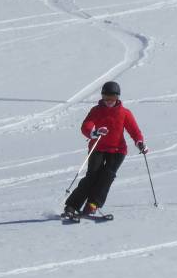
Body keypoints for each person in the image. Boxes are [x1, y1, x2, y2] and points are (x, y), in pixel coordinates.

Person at [63, 81, 148, 218]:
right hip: (98, 147)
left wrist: (139, 142)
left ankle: (93, 204)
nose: (109, 101)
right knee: (92, 176)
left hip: (117, 150)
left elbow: (134, 130)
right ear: (102, 97)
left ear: (117, 98)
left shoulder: (125, 113)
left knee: (107, 176)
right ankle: (72, 206)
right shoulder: (96, 111)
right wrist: (94, 132)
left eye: (112, 99)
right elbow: (86, 125)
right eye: (106, 98)